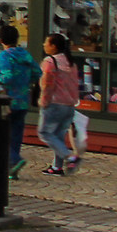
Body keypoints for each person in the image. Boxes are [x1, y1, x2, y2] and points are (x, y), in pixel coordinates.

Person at [0, 23, 41, 179]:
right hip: (23, 100)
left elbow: (7, 77)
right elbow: (37, 73)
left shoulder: (4, 56)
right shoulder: (25, 55)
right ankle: (12, 170)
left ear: (1, 40)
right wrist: (25, 83)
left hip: (7, 100)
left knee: (1, 133)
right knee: (16, 135)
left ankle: (15, 160)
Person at [38, 31, 84, 176]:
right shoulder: (71, 62)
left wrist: (44, 100)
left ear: (54, 46)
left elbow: (47, 84)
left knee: (44, 132)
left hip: (54, 103)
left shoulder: (50, 62)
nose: (44, 45)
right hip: (69, 105)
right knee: (58, 135)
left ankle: (70, 157)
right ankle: (57, 167)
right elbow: (75, 84)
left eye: (46, 42)